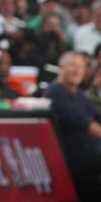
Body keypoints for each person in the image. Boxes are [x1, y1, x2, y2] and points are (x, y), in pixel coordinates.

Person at [44, 51, 101, 200]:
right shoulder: (56, 91)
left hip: (91, 157)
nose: (76, 70)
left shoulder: (79, 93)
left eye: (80, 67)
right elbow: (84, 122)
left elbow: (97, 117)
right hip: (71, 160)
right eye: (72, 65)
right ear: (61, 67)